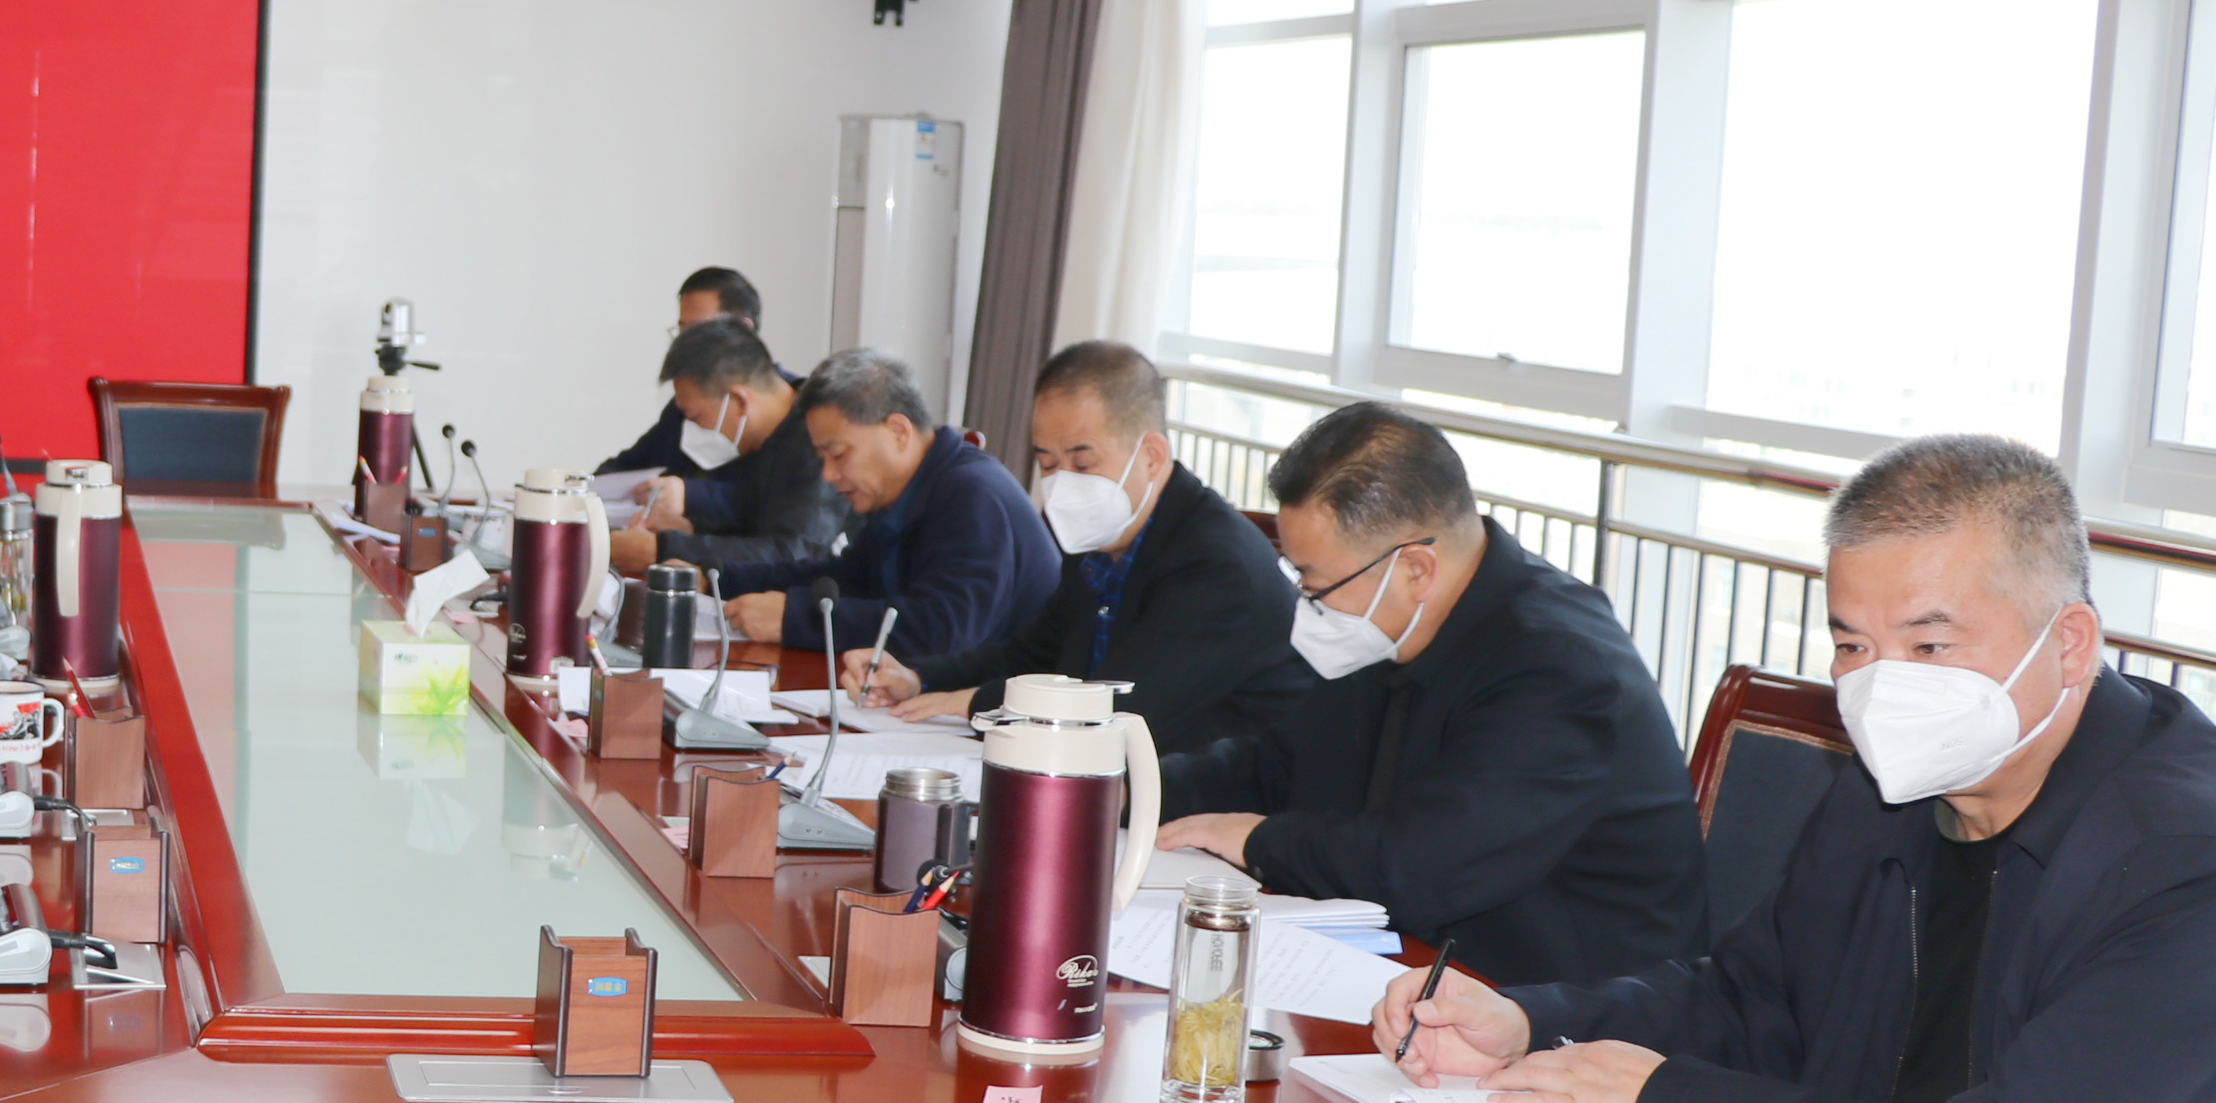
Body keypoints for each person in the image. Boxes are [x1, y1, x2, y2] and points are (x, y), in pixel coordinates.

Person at [1379, 433, 2216, 1103]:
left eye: (1929, 644)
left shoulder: (2183, 861)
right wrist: (1526, 1020)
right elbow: (1750, 999)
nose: (1880, 685)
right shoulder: (1884, 789)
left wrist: (1669, 1091)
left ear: (2068, 643)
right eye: (1851, 644)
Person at [1153, 401, 1703, 988]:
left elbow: (1418, 868)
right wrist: (1126, 788)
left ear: (1415, 568)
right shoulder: (1390, 623)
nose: (1306, 605)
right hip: (1420, 966)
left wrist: (1257, 840)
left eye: (1315, 583)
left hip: (1560, 1004)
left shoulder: (1559, 667)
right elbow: (1277, 767)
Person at [839, 341, 1310, 754]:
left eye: (1083, 464)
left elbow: (1121, 708)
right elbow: (1032, 654)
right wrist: (919, 677)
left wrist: (976, 702)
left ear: (1151, 456)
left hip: (1210, 804)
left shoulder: (1217, 566)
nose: (1063, 485)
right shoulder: (1104, 533)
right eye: (1048, 464)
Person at [714, 347, 1057, 659]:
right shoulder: (902, 492)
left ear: (898, 432)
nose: (829, 475)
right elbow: (849, 577)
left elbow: (943, 631)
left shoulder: (972, 494)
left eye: (838, 454)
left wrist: (795, 619)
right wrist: (719, 579)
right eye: (822, 458)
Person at [605, 317, 842, 576]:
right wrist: (689, 530)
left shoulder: (820, 439)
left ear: (739, 401)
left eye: (695, 417)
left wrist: (663, 549)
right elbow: (752, 530)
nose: (691, 429)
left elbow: (793, 553)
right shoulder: (762, 440)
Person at [596, 266, 769, 481]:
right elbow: (624, 466)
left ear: (742, 329)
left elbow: (755, 495)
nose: (686, 341)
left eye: (698, 328)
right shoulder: (681, 407)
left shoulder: (788, 413)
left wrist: (688, 494)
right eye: (683, 330)